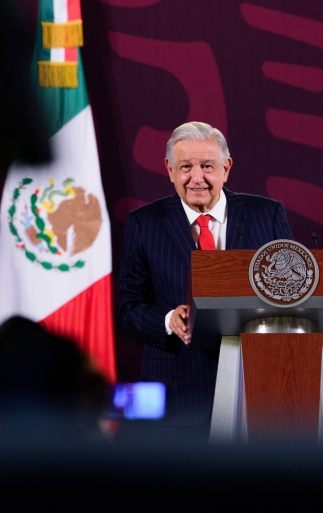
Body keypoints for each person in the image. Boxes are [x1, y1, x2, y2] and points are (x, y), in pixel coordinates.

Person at [118, 121, 294, 442]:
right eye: (186, 167)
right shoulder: (144, 223)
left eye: (207, 166)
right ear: (170, 169)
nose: (196, 177)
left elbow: (292, 294)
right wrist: (169, 320)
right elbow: (128, 308)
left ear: (226, 168)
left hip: (258, 388)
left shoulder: (266, 215)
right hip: (180, 394)